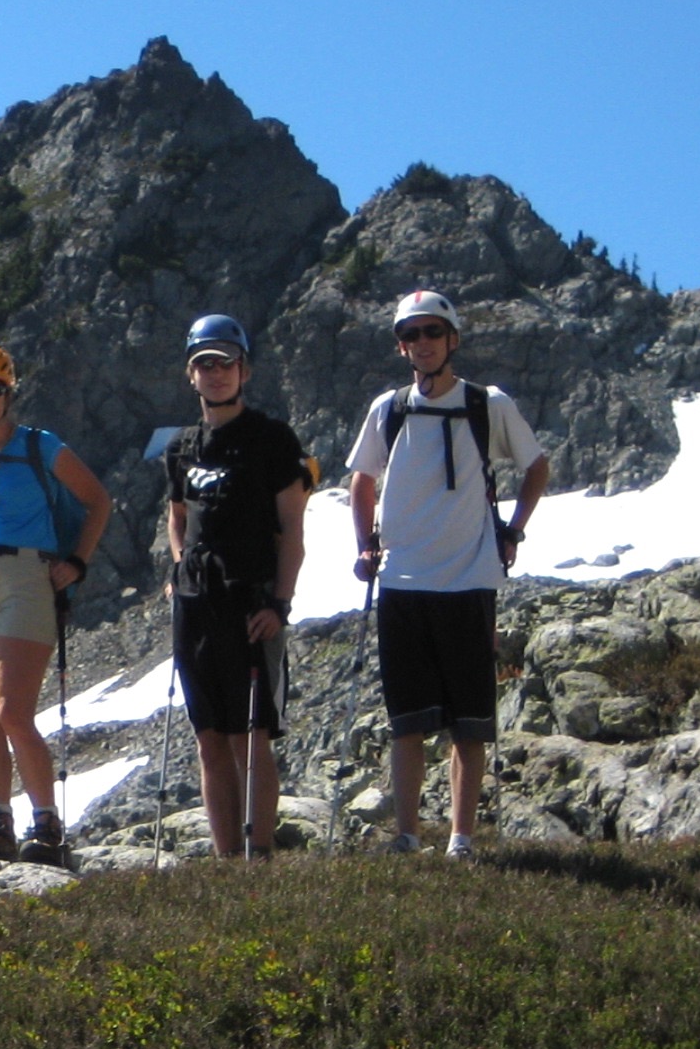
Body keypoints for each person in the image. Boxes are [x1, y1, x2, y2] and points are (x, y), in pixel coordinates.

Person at [346, 290, 552, 858]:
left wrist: (514, 529)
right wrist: (366, 545)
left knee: (469, 720)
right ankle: (408, 835)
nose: (422, 343)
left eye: (432, 332)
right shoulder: (388, 408)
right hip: (404, 580)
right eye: (411, 335)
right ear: (401, 346)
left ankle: (461, 838)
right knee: (406, 718)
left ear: (452, 339)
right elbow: (361, 481)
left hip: (469, 577)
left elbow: (536, 466)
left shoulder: (489, 404)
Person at [0, 344, 113, 863]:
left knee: (12, 711)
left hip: (28, 576)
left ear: (9, 394)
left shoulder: (42, 446)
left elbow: (97, 501)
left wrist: (76, 562)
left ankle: (47, 825)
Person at [163, 314, 310, 860]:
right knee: (209, 738)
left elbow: (293, 528)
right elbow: (177, 516)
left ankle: (261, 855)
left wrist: (280, 603)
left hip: (250, 603)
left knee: (251, 736)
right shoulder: (181, 446)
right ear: (191, 374)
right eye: (205, 363)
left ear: (243, 369)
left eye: (225, 362)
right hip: (196, 607)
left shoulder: (272, 440)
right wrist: (178, 571)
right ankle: (228, 862)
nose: (216, 373)